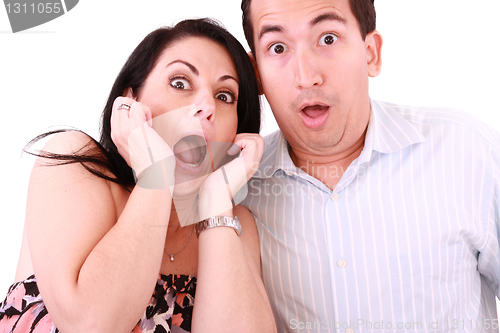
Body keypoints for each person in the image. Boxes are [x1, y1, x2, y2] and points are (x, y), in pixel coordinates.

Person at [0, 18, 276, 333]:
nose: (206, 106)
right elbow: (90, 323)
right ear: (131, 101)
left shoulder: (234, 221)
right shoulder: (72, 162)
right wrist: (157, 173)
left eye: (225, 95)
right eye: (180, 82)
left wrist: (214, 202)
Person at [239, 0, 500, 332]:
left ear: (371, 53)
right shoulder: (235, 191)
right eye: (278, 47)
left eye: (328, 38)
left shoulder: (467, 149)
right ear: (256, 73)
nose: (306, 77)